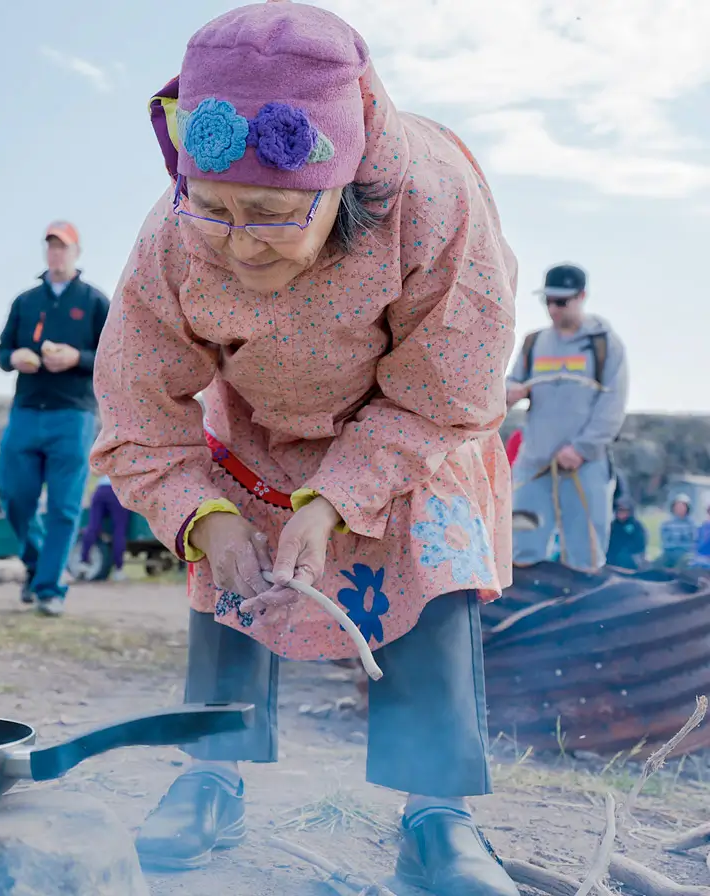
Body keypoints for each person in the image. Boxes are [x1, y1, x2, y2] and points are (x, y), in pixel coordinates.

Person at [90, 4, 521, 893]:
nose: (240, 244)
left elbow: (453, 380)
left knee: (427, 566)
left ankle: (436, 813)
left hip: (409, 422)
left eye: (273, 215)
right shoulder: (173, 234)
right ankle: (211, 772)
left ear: (341, 183)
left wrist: (338, 498)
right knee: (231, 567)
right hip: (264, 423)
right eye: (214, 209)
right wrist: (202, 518)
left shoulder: (433, 202)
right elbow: (137, 403)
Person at [0, 221, 109, 615]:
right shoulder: (25, 302)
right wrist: (14, 358)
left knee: (63, 507)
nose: (55, 253)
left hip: (73, 415)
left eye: (62, 246)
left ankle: (48, 590)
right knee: (13, 497)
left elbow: (113, 358)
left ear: (77, 252)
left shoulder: (95, 302)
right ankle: (36, 563)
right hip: (26, 411)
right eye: (50, 246)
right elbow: (2, 351)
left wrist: (76, 358)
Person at [507, 263, 628, 572]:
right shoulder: (533, 343)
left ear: (582, 296)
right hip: (534, 465)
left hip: (584, 466)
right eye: (547, 301)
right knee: (520, 550)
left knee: (584, 556)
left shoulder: (605, 344)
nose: (552, 309)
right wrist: (509, 392)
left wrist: (582, 449)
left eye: (561, 301)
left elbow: (612, 406)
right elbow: (510, 383)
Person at [78, 474, 131, 581]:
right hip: (118, 490)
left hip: (100, 489)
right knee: (119, 530)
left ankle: (83, 562)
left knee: (93, 527)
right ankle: (118, 570)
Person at [605, 498, 647, 570]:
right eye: (619, 511)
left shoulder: (635, 526)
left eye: (624, 511)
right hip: (614, 556)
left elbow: (640, 543)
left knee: (624, 557)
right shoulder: (613, 525)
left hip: (632, 555)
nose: (621, 513)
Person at [659, 494, 696, 569]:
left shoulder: (691, 524)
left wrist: (682, 549)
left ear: (687, 508)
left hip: (685, 553)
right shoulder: (666, 524)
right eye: (677, 506)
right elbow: (665, 541)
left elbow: (693, 541)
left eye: (682, 506)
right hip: (669, 552)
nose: (679, 508)